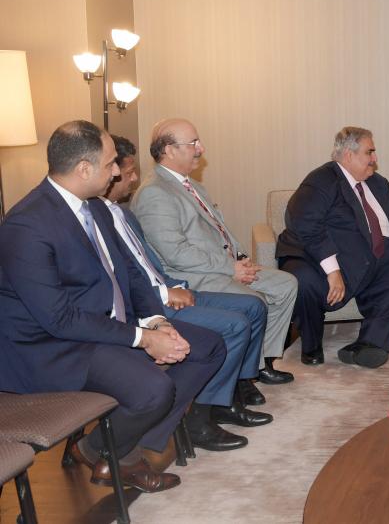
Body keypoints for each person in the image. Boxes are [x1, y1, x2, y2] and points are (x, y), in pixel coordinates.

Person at [0, 120, 224, 493]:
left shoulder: (97, 208)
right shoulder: (26, 226)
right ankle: (116, 451)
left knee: (207, 347)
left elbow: (130, 274)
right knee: (153, 390)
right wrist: (143, 338)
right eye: (110, 164)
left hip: (101, 326)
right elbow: (59, 319)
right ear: (83, 169)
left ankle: (111, 447)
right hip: (51, 347)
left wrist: (156, 322)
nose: (118, 172)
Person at [105, 135, 272, 452]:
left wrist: (173, 286)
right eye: (126, 172)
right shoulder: (109, 215)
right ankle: (200, 417)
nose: (133, 178)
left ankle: (231, 392)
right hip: (148, 305)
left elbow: (147, 263)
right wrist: (163, 293)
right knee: (233, 324)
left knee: (252, 306)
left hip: (166, 288)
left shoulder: (120, 213)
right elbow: (125, 278)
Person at [131, 118, 298, 385]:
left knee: (285, 284)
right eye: (193, 143)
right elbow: (176, 253)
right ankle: (245, 376)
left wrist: (240, 258)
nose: (201, 148)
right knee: (254, 300)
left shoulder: (192, 185)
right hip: (191, 275)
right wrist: (230, 268)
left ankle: (263, 360)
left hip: (221, 265)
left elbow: (219, 229)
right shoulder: (155, 193)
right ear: (169, 150)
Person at [276, 126, 389, 368]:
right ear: (348, 155)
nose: (375, 158)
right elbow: (304, 224)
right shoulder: (321, 180)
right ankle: (311, 346)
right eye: (369, 152)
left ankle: (369, 344)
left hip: (364, 260)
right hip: (314, 257)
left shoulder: (378, 183)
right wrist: (333, 270)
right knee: (304, 281)